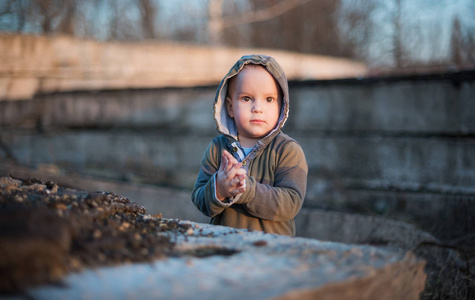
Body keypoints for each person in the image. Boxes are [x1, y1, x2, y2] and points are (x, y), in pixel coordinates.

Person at [191, 54, 307, 236]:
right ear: (230, 107)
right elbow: (199, 198)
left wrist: (247, 190)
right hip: (224, 248)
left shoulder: (288, 151)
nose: (257, 108)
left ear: (281, 106)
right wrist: (218, 189)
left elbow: (291, 203)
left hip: (272, 252)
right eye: (247, 98)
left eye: (269, 99)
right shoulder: (217, 149)